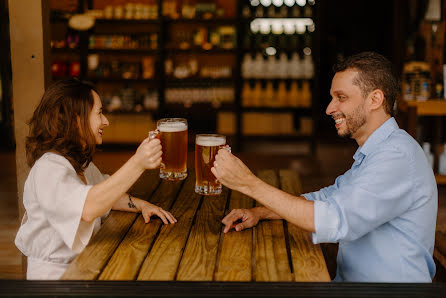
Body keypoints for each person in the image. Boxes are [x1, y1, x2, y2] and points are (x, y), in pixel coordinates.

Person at [212, 52, 438, 282]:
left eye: (341, 97)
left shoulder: (396, 157)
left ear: (375, 99)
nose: (330, 108)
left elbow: (333, 219)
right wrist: (260, 212)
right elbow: (326, 199)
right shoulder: (378, 151)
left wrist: (248, 183)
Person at [15, 79, 176, 280]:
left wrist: (141, 205)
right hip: (54, 280)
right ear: (76, 119)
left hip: (86, 266)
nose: (106, 121)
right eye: (99, 113)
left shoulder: (79, 163)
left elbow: (105, 193)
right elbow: (89, 207)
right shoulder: (48, 169)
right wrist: (138, 163)